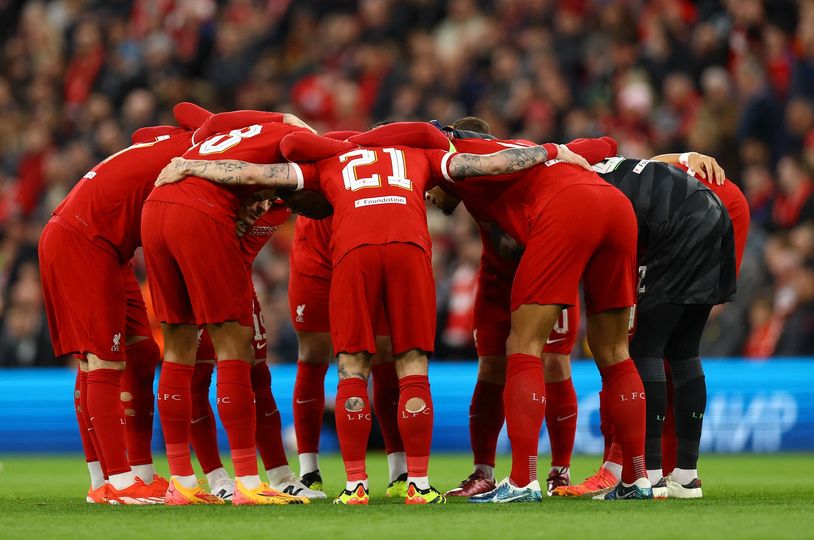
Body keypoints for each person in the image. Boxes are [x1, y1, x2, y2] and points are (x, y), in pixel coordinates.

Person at [152, 124, 592, 504]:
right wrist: (553, 150)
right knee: (412, 362)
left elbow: (255, 173)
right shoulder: (421, 154)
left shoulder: (331, 159)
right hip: (409, 249)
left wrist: (192, 166)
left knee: (351, 364)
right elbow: (493, 163)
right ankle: (418, 483)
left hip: (353, 252)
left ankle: (355, 485)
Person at [359, 121, 645, 502]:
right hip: (616, 207)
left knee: (523, 347)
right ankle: (637, 478)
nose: (426, 191)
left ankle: (523, 481)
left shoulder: (456, 154)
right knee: (615, 353)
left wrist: (346, 144)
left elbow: (415, 133)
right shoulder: (517, 150)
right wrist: (562, 149)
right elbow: (605, 143)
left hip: (565, 212)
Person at [38, 102, 211, 504]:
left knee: (141, 352)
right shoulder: (196, 151)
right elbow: (194, 115)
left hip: (107, 247)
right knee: (101, 360)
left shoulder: (161, 143)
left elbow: (162, 121)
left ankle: (135, 473)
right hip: (86, 240)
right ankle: (113, 481)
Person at [141, 110, 314, 506]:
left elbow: (191, 113)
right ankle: (238, 482)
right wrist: (289, 120)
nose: (262, 206)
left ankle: (190, 483)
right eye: (261, 198)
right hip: (201, 225)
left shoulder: (268, 188)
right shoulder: (281, 156)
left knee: (198, 355)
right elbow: (191, 114)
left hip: (164, 215)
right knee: (224, 354)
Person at [556, 150, 738, 499]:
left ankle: (650, 476)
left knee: (645, 350)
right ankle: (686, 477)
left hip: (678, 225)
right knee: (684, 351)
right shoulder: (610, 169)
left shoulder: (578, 191)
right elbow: (650, 170)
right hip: (714, 213)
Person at [187, 198, 326, 501]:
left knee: (259, 376)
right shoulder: (214, 190)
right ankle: (218, 478)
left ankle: (280, 477)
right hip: (195, 280)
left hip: (240, 283)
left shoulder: (280, 194)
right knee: (197, 378)